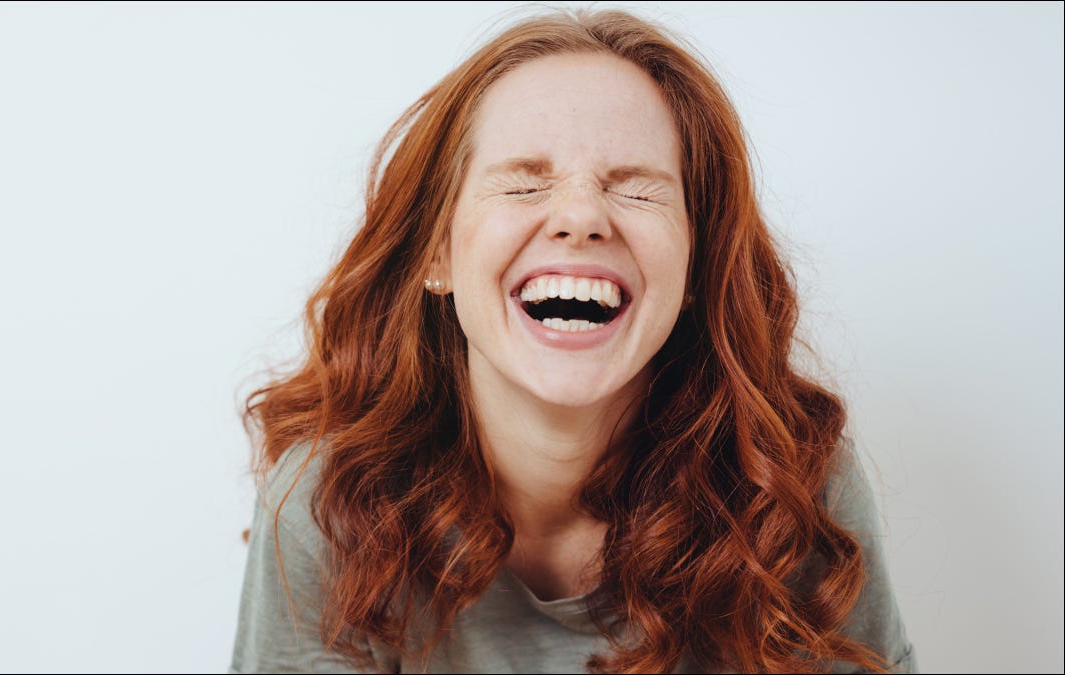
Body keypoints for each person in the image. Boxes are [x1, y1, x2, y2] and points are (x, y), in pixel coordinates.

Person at [230, 8, 917, 674]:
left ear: (693, 270)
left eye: (639, 190)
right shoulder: (331, 503)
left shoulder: (790, 487)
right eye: (526, 182)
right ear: (436, 255)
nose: (582, 215)